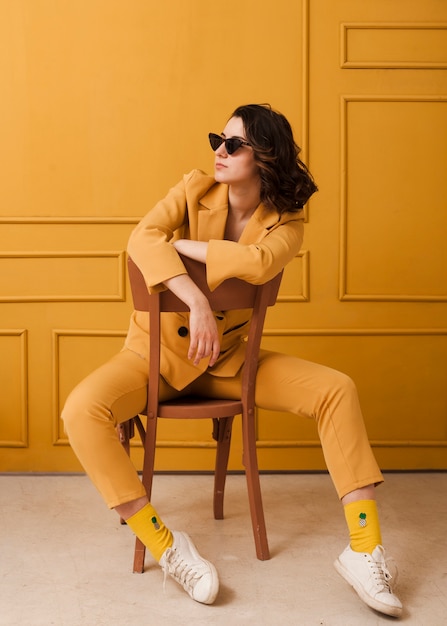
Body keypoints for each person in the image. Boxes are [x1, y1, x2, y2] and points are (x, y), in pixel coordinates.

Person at [62, 103, 402, 616]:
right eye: (217, 140)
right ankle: (168, 547)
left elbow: (260, 262)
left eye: (234, 144)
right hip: (154, 360)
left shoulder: (286, 221)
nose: (220, 151)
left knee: (337, 389)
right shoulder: (195, 188)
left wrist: (187, 246)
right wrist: (196, 300)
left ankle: (364, 549)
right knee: (79, 410)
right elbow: (140, 238)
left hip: (228, 366)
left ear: (264, 157)